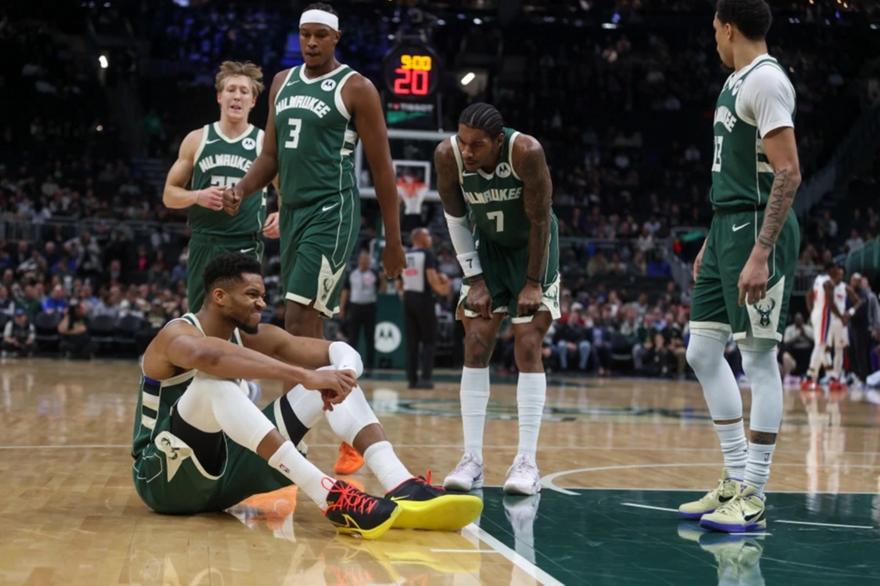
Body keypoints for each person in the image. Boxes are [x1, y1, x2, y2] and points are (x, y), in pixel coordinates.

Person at [131, 253, 481, 540]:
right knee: (213, 384)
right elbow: (209, 357)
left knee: (333, 377)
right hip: (163, 480)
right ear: (220, 297)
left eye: (262, 294)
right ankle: (330, 495)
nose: (262, 302)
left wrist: (340, 376)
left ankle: (400, 483)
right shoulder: (176, 335)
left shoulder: (252, 335)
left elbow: (338, 351)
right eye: (252, 294)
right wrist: (304, 376)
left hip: (224, 477)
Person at [222, 3, 407, 477]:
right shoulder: (282, 83)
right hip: (294, 213)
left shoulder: (357, 88)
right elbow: (270, 156)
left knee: (298, 321)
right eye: (305, 34)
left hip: (333, 211)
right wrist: (244, 188)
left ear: (336, 38)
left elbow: (383, 170)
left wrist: (393, 240)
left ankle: (292, 444)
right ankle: (348, 431)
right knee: (307, 334)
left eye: (320, 35)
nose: (311, 42)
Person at [678, 0, 801, 533]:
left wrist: (761, 250)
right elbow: (736, 171)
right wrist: (712, 239)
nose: (713, 39)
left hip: (756, 229)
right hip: (726, 225)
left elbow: (788, 172)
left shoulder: (767, 81)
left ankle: (754, 492)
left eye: (714, 30)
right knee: (702, 351)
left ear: (728, 28)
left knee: (758, 358)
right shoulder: (734, 82)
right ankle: (732, 476)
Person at [435, 102, 561, 496]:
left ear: (498, 142)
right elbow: (456, 220)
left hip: (533, 251)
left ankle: (526, 462)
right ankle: (471, 459)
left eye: (477, 145)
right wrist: (474, 279)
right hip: (487, 250)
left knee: (528, 344)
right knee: (475, 342)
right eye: (463, 141)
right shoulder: (448, 156)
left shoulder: (526, 152)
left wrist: (533, 283)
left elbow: (540, 220)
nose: (467, 151)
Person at [162, 61, 277, 313]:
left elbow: (287, 191)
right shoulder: (197, 139)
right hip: (205, 241)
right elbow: (169, 195)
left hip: (245, 243)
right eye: (231, 89)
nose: (237, 96)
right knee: (200, 318)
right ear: (219, 96)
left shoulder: (264, 143)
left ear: (253, 101)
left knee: (241, 318)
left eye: (244, 91)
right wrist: (197, 196)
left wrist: (282, 214)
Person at [401, 228, 450, 389]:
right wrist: (444, 290)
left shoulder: (405, 254)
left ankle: (412, 380)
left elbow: (399, 283)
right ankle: (426, 379)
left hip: (408, 298)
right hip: (424, 299)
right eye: (427, 235)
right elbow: (431, 278)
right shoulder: (427, 254)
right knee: (429, 340)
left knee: (412, 342)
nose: (430, 238)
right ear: (419, 238)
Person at [803, 264, 854, 391]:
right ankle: (809, 377)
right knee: (821, 345)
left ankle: (832, 377)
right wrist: (841, 317)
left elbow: (808, 295)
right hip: (824, 316)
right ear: (830, 271)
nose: (838, 273)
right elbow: (831, 304)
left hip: (816, 314)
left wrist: (812, 311)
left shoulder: (817, 279)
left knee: (823, 347)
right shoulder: (828, 283)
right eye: (836, 270)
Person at [340, 250, 384, 378]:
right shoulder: (352, 274)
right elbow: (345, 292)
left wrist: (382, 279)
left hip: (369, 307)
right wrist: (342, 308)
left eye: (367, 261)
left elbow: (382, 290)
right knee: (352, 337)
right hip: (355, 307)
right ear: (359, 261)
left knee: (370, 338)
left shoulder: (374, 274)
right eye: (363, 260)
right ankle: (350, 365)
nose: (365, 262)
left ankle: (369, 367)